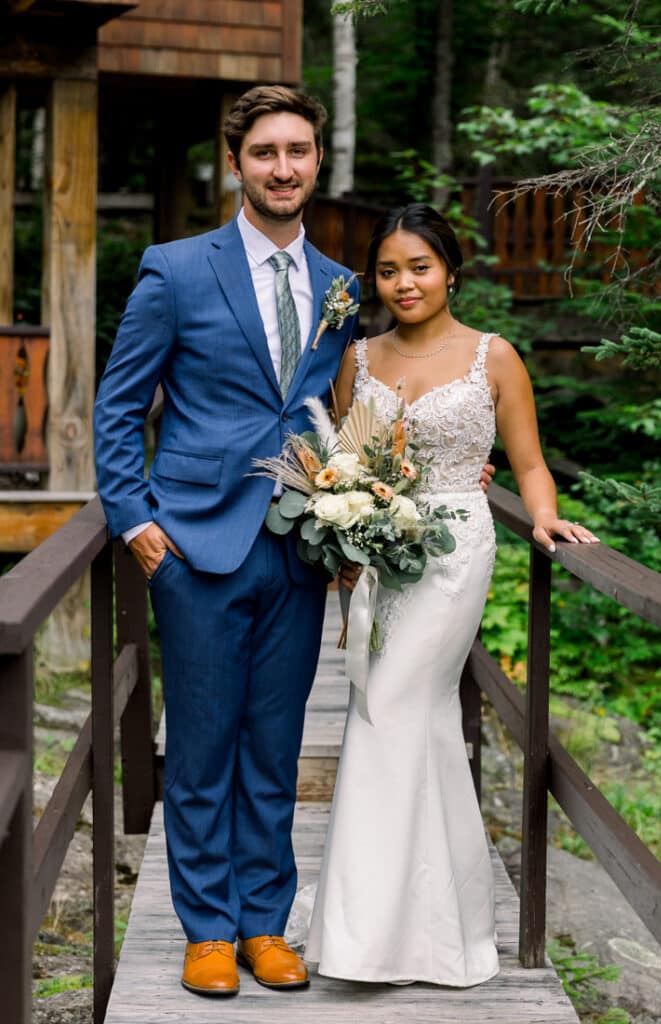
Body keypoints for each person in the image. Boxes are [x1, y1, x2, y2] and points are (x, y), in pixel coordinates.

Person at [93, 85, 362, 998]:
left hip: (299, 546)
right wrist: (135, 521)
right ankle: (206, 928)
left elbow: (342, 412)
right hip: (195, 544)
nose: (283, 168)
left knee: (273, 747)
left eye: (297, 151)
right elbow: (119, 406)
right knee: (203, 747)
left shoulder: (340, 286)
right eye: (265, 153)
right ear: (237, 163)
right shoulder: (175, 270)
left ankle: (264, 923)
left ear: (315, 160)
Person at [306, 203, 599, 986]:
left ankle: (370, 933)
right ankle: (433, 924)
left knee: (390, 707)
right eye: (388, 271)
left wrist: (545, 518)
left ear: (451, 272)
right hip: (379, 553)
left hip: (455, 554)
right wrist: (346, 534)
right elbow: (342, 461)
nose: (404, 283)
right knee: (411, 719)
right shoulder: (357, 358)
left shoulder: (492, 357)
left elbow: (528, 463)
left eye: (420, 267)